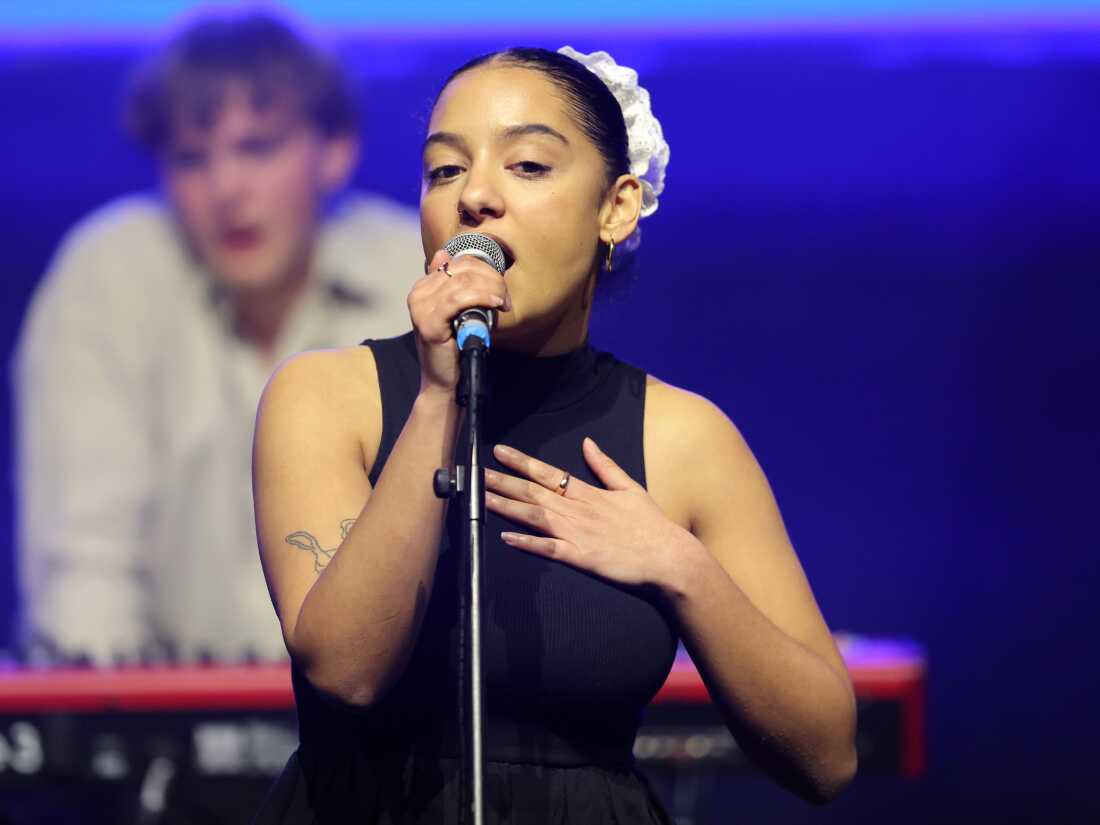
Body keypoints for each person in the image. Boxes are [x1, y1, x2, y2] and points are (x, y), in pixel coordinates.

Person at [251, 46, 857, 822]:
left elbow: (827, 755)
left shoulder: (683, 437)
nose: (474, 196)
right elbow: (346, 670)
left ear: (617, 207)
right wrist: (439, 398)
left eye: (529, 165)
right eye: (444, 170)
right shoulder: (328, 396)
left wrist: (681, 566)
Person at [14, 13, 422, 665]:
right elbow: (84, 575)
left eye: (258, 148)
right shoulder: (108, 276)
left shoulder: (416, 274)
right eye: (191, 158)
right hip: (156, 726)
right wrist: (114, 743)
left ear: (336, 149)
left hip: (393, 725)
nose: (227, 189)